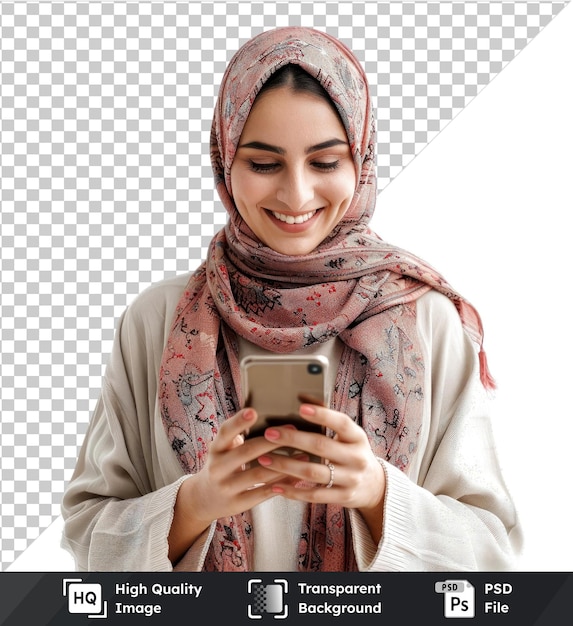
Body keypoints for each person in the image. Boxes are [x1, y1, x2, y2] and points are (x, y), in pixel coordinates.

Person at [61, 26, 521, 572]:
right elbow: (87, 535)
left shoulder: (426, 320)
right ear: (225, 160)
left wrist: (377, 494)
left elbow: (492, 557)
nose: (296, 195)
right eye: (263, 163)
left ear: (361, 160)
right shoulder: (157, 322)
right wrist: (198, 502)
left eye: (325, 162)